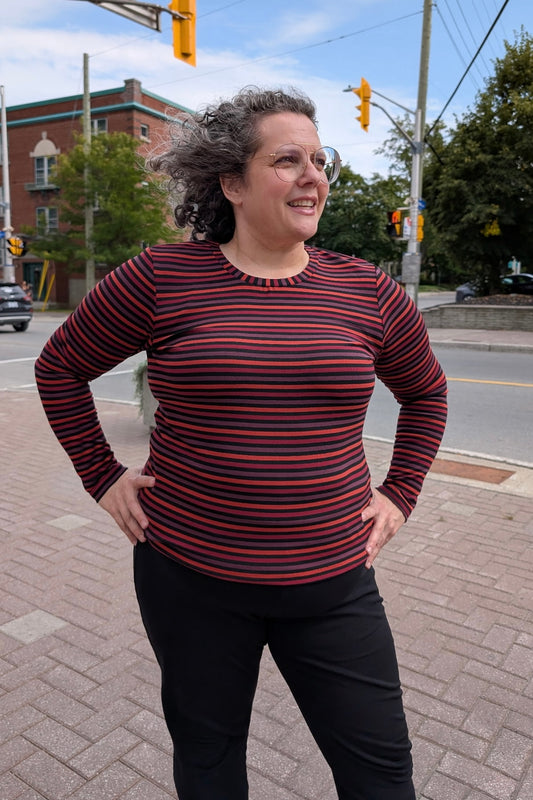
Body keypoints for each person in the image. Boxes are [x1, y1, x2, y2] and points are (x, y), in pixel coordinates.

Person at [35, 86, 447, 800]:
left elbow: (427, 394)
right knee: (208, 758)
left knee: (380, 772)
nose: (313, 175)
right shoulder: (162, 278)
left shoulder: (366, 291)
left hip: (333, 582)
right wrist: (101, 477)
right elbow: (60, 367)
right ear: (231, 182)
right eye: (287, 160)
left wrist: (399, 494)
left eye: (321, 159)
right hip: (190, 578)